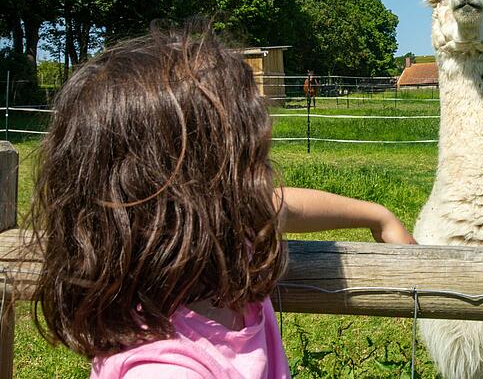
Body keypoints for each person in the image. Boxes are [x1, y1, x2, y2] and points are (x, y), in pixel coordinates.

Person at [28, 27, 415, 378]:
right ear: (198, 196)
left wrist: (377, 216)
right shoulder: (167, 370)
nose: (266, 174)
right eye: (251, 159)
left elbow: (283, 205)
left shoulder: (220, 239)